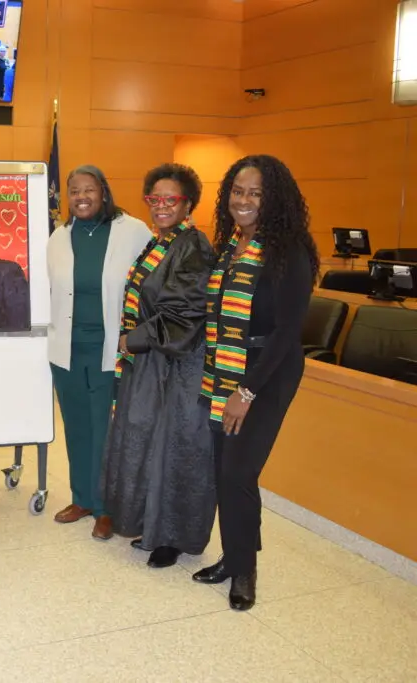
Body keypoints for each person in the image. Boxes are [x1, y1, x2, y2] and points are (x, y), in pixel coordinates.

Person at [194, 155, 318, 611]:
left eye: (255, 194)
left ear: (274, 200)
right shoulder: (231, 245)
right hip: (223, 368)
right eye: (238, 191)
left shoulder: (289, 252)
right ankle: (233, 556)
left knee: (239, 472)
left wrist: (246, 392)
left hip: (266, 373)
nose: (243, 201)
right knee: (223, 471)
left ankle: (245, 571)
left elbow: (288, 332)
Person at [101, 164, 216, 569]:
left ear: (188, 204)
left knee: (178, 449)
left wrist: (130, 340)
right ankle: (154, 528)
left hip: (180, 367)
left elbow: (185, 314)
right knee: (151, 445)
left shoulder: (194, 247)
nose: (162, 206)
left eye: (172, 200)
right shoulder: (162, 243)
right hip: (154, 361)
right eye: (155, 199)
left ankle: (175, 539)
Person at [46, 165, 152, 539]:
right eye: (74, 191)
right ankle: (83, 498)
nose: (81, 197)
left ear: (103, 192)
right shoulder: (59, 236)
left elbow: (152, 286)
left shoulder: (133, 231)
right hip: (67, 350)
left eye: (88, 190)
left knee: (106, 429)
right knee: (76, 427)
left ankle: (108, 507)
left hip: (113, 350)